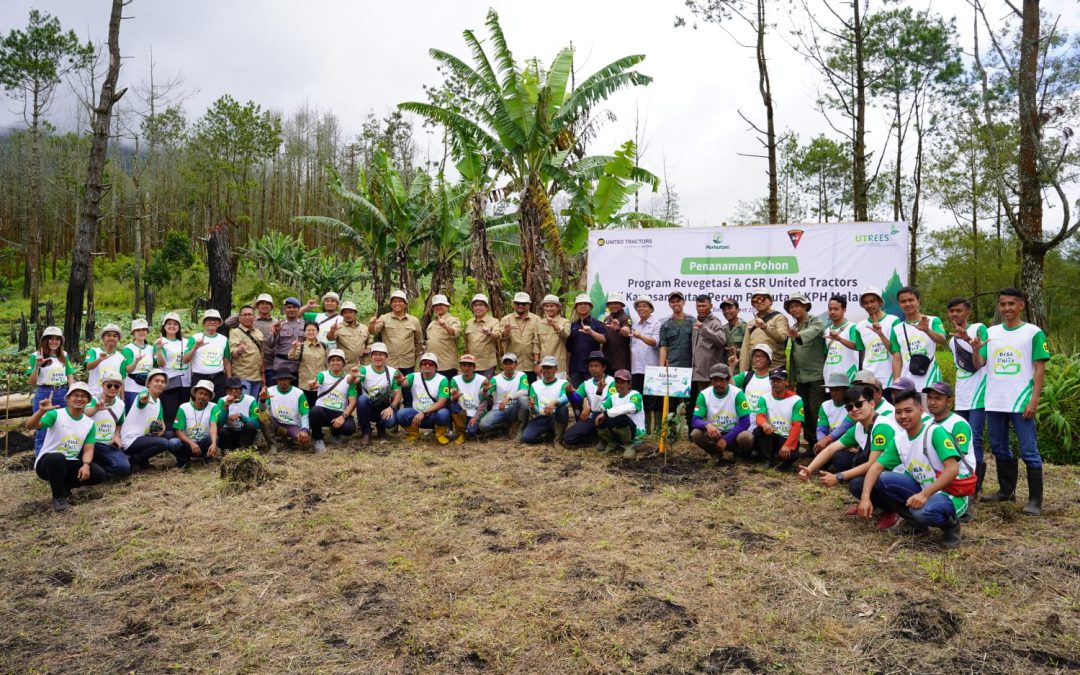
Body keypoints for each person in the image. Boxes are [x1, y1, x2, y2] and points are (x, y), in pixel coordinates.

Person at [856, 388, 970, 547]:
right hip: (924, 488)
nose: (902, 416)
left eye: (908, 411)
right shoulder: (899, 440)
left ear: (921, 410)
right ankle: (915, 525)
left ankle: (950, 525)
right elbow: (876, 467)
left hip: (951, 492)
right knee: (883, 479)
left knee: (923, 512)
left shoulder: (934, 432)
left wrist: (924, 494)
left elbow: (953, 470)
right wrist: (865, 497)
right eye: (898, 412)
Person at [971, 287, 1050, 516]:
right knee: (998, 446)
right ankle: (1006, 491)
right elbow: (979, 364)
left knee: (1029, 450)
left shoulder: (1033, 332)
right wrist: (976, 350)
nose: (1006, 308)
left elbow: (1039, 369)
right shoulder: (991, 332)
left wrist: (1033, 400)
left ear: (1021, 305)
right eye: (1003, 304)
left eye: (1011, 304)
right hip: (995, 401)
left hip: (1021, 401)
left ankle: (1035, 500)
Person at [798, 384, 902, 524]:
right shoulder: (859, 426)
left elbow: (873, 464)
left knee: (856, 483)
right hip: (880, 471)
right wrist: (809, 469)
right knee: (840, 457)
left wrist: (838, 476)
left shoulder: (882, 426)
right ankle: (874, 503)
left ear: (872, 403)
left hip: (896, 476)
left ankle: (893, 510)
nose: (854, 409)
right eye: (849, 407)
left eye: (859, 404)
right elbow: (831, 449)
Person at [24, 382, 106, 511]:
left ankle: (65, 488)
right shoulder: (56, 414)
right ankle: (59, 498)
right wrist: (40, 412)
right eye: (76, 395)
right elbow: (30, 426)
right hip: (48, 462)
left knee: (98, 474)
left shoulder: (89, 423)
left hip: (69, 462)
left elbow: (89, 449)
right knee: (57, 458)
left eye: (83, 396)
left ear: (88, 401)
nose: (79, 399)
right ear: (68, 399)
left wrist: (86, 465)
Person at [945, 296, 988, 495]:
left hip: (978, 394)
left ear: (968, 312)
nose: (955, 314)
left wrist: (971, 343)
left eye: (959, 311)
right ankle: (960, 479)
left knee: (975, 439)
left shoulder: (979, 328)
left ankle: (975, 486)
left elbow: (979, 363)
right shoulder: (952, 339)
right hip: (961, 395)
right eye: (952, 311)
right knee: (958, 439)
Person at [121, 370, 187, 470]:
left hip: (144, 437)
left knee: (169, 435)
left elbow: (160, 420)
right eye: (156, 381)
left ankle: (182, 460)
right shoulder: (144, 394)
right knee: (163, 443)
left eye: (163, 381)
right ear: (148, 383)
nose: (160, 384)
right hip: (131, 439)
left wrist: (161, 428)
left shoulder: (158, 401)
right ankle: (134, 460)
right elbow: (142, 399)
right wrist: (143, 399)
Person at [689, 364, 753, 464]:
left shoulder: (737, 394)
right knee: (695, 434)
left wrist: (726, 439)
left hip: (734, 434)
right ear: (711, 380)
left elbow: (746, 422)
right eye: (715, 380)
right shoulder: (704, 395)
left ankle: (739, 455)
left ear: (728, 380)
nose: (718, 383)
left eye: (721, 380)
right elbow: (695, 420)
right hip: (715, 434)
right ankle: (715, 454)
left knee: (747, 437)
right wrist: (707, 425)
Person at [26, 326, 75, 455]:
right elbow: (31, 382)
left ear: (61, 341)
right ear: (45, 340)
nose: (54, 342)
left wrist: (73, 392)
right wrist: (37, 366)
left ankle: (61, 457)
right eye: (51, 338)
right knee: (42, 428)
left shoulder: (64, 355)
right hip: (45, 393)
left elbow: (69, 375)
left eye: (57, 339)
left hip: (63, 392)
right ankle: (40, 461)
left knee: (63, 426)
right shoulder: (35, 356)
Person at [885, 286, 946, 390]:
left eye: (911, 300)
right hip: (907, 384)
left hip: (930, 381)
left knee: (928, 407)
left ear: (918, 301)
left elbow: (942, 340)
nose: (907, 304)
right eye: (903, 301)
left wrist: (927, 330)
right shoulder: (896, 329)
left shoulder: (932, 321)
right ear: (899, 305)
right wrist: (896, 385)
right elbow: (897, 358)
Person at [785, 293, 826, 449]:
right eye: (791, 307)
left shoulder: (815, 321)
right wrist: (791, 377)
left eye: (797, 306)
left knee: (815, 410)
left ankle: (820, 444)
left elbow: (816, 330)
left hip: (816, 375)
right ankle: (810, 442)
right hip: (801, 378)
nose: (793, 309)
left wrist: (799, 335)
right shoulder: (794, 327)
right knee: (805, 411)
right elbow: (793, 355)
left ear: (805, 306)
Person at [751, 368, 804, 469]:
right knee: (759, 431)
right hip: (771, 434)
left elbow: (797, 425)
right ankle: (768, 460)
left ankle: (778, 459)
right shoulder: (764, 398)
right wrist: (764, 424)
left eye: (779, 380)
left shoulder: (796, 400)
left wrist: (788, 445)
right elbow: (759, 416)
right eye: (773, 380)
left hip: (786, 437)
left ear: (786, 382)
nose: (775, 383)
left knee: (792, 455)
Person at [368, 289, 423, 386]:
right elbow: (373, 331)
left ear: (405, 304)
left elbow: (418, 342)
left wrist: (414, 355)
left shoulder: (414, 321)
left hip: (408, 361)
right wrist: (371, 324)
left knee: (407, 390)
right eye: (394, 301)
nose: (397, 304)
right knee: (390, 389)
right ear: (391, 304)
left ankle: (407, 401)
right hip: (390, 362)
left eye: (400, 301)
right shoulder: (384, 318)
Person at [395, 353, 452, 444]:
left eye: (430, 363)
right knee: (401, 414)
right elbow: (404, 383)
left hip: (433, 415)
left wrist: (424, 413)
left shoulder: (442, 379)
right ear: (421, 366)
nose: (427, 365)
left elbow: (442, 402)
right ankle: (414, 433)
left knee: (444, 413)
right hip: (416, 416)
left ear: (436, 367)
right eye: (424, 363)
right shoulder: (413, 376)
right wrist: (400, 381)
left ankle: (439, 434)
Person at [689, 294, 728, 429]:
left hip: (709, 374)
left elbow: (721, 340)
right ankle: (701, 431)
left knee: (711, 405)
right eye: (698, 306)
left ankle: (714, 430)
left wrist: (704, 329)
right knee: (699, 406)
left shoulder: (715, 322)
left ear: (711, 306)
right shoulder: (696, 322)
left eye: (704, 305)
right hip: (697, 372)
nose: (700, 308)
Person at [308, 349, 358, 451]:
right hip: (323, 411)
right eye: (332, 360)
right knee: (315, 411)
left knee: (350, 427)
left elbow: (353, 402)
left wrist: (343, 417)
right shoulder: (322, 375)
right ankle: (317, 438)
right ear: (329, 362)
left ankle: (335, 433)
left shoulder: (350, 378)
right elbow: (316, 384)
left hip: (338, 412)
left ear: (343, 363)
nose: (335, 362)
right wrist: (313, 385)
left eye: (338, 360)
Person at [84, 370, 131, 477]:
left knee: (124, 468)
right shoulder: (93, 400)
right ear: (103, 385)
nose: (113, 388)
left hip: (108, 444)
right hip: (91, 443)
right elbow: (86, 412)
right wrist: (96, 408)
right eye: (109, 385)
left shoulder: (121, 404)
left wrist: (117, 435)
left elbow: (120, 422)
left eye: (117, 386)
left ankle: (100, 468)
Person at [563, 351, 615, 448]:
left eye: (596, 366)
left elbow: (610, 403)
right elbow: (576, 399)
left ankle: (606, 438)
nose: (593, 368)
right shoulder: (586, 383)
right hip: (592, 416)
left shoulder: (612, 382)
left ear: (603, 367)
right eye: (591, 366)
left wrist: (589, 407)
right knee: (568, 438)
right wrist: (569, 393)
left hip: (607, 416)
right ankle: (594, 439)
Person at [353, 342, 402, 444]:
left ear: (386, 357)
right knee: (362, 399)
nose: (378, 357)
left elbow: (398, 393)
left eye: (381, 354)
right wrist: (353, 376)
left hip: (384, 407)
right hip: (368, 407)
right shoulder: (364, 370)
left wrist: (391, 407)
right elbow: (354, 382)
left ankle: (381, 428)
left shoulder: (393, 372)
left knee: (390, 422)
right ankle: (366, 432)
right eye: (375, 354)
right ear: (371, 356)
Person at [225, 293, 276, 385]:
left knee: (266, 395)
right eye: (261, 303)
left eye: (267, 303)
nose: (264, 306)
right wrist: (247, 309)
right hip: (247, 366)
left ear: (271, 306)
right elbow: (228, 322)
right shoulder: (250, 318)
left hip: (269, 363)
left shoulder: (276, 322)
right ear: (257, 306)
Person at [520, 356, 570, 448]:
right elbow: (534, 408)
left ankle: (558, 440)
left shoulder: (563, 383)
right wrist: (532, 407)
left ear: (556, 369)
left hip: (555, 416)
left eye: (549, 367)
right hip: (541, 417)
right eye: (544, 367)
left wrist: (554, 402)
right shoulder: (535, 385)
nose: (546, 370)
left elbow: (566, 397)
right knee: (526, 437)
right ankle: (546, 436)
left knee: (563, 408)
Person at [595, 369, 646, 458]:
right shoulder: (613, 397)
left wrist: (606, 413)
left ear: (629, 384)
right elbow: (598, 408)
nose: (619, 385)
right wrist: (599, 391)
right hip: (620, 430)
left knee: (619, 417)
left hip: (636, 432)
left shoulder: (635, 395)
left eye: (622, 382)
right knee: (597, 416)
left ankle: (629, 445)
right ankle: (611, 442)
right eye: (617, 382)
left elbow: (631, 407)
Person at [855, 286, 900, 386]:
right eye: (865, 303)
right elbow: (862, 353)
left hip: (889, 378)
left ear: (880, 302)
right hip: (868, 379)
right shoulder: (859, 326)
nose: (869, 305)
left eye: (872, 301)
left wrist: (880, 334)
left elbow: (895, 351)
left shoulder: (893, 321)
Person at [629, 295, 661, 433]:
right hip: (636, 370)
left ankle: (658, 430)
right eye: (639, 306)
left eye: (645, 306)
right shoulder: (634, 325)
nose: (641, 308)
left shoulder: (656, 324)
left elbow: (655, 342)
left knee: (654, 401)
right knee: (640, 400)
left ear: (651, 309)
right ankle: (645, 430)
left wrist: (641, 336)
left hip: (651, 369)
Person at [154, 312, 191, 432]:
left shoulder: (186, 342)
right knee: (170, 412)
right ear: (164, 326)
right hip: (169, 382)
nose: (172, 326)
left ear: (179, 327)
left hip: (186, 382)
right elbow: (161, 363)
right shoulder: (161, 341)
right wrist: (159, 349)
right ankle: (169, 437)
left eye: (175, 324)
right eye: (169, 323)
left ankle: (181, 436)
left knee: (183, 412)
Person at [184, 309, 232, 399]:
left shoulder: (224, 339)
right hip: (200, 379)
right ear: (204, 323)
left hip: (219, 379)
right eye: (209, 319)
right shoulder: (194, 338)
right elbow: (185, 360)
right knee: (200, 406)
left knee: (219, 406)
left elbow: (226, 359)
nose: (212, 322)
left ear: (219, 323)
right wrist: (195, 347)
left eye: (215, 319)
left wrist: (229, 378)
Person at [478, 354, 530, 436]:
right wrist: (484, 390)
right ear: (502, 365)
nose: (508, 366)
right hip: (499, 409)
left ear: (516, 364)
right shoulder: (496, 379)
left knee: (524, 399)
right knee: (483, 426)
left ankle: (521, 428)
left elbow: (525, 391)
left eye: (511, 363)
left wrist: (509, 397)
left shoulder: (521, 375)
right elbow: (483, 396)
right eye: (506, 363)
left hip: (514, 408)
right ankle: (503, 427)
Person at [260, 372, 312, 451]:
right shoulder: (269, 391)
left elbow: (304, 413)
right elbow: (261, 410)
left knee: (304, 441)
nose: (283, 382)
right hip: (275, 422)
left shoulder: (299, 393)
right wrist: (262, 400)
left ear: (290, 380)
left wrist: (304, 430)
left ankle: (287, 439)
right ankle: (272, 445)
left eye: (286, 379)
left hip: (292, 424)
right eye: (280, 379)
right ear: (277, 380)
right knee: (263, 417)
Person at [739, 288, 788, 371]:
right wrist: (743, 372)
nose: (759, 302)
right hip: (756, 370)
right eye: (755, 300)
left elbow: (782, 337)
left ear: (771, 301)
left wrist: (765, 327)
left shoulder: (779, 318)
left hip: (775, 368)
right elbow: (745, 348)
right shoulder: (751, 322)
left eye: (762, 299)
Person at [174, 380, 219, 463]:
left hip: (203, 443)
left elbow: (213, 425)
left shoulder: (214, 407)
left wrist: (214, 444)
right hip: (188, 443)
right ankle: (183, 460)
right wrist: (191, 443)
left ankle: (207, 456)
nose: (202, 396)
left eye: (206, 394)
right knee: (173, 443)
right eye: (200, 393)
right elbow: (178, 431)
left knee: (214, 438)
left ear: (209, 397)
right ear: (195, 393)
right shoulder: (183, 407)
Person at [568, 294, 607, 387]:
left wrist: (591, 332)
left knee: (593, 396)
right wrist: (567, 368)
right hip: (575, 367)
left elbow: (603, 339)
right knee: (577, 397)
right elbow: (569, 349)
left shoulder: (597, 324)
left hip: (593, 368)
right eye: (580, 304)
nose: (583, 306)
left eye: (586, 304)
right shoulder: (572, 325)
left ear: (590, 307)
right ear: (576, 308)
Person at [823, 295, 864, 383]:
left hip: (848, 376)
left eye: (836, 309)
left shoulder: (852, 327)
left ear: (844, 310)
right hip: (830, 378)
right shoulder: (827, 330)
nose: (832, 312)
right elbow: (827, 354)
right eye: (830, 309)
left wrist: (839, 339)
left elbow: (857, 346)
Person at [501, 292, 541, 380]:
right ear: (514, 304)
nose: (520, 305)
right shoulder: (506, 319)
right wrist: (506, 331)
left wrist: (536, 362)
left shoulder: (536, 320)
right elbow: (501, 338)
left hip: (531, 365)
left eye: (523, 303)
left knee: (531, 391)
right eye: (518, 303)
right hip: (512, 365)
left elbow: (537, 342)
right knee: (514, 392)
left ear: (529, 304)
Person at [449, 354, 488, 444]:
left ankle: (472, 430)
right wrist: (454, 398)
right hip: (463, 412)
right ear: (460, 367)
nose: (466, 368)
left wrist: (476, 417)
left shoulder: (482, 379)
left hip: (476, 412)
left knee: (471, 432)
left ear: (474, 367)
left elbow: (484, 401)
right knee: (452, 404)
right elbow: (452, 393)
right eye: (464, 365)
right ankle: (461, 433)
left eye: (470, 365)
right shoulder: (455, 379)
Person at [289, 320, 328, 411]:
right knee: (306, 409)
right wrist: (294, 348)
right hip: (305, 384)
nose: (311, 332)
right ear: (304, 332)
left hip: (321, 384)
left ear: (318, 332)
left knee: (319, 409)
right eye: (308, 330)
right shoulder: (300, 346)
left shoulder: (324, 346)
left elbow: (328, 364)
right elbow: (292, 357)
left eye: (313, 330)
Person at [228, 305, 266, 399]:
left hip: (257, 376)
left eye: (250, 314)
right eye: (244, 315)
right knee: (243, 404)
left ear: (254, 317)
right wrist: (239, 351)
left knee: (252, 404)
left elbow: (261, 354)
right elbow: (233, 353)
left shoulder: (258, 332)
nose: (247, 317)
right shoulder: (235, 332)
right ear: (239, 317)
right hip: (242, 376)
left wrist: (263, 374)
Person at [214, 377, 260, 451]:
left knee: (250, 426)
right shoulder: (222, 401)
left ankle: (244, 449)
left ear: (241, 389)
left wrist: (242, 417)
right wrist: (226, 407)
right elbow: (218, 424)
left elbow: (257, 424)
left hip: (244, 434)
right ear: (226, 391)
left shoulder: (251, 400)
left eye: (236, 389)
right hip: (229, 434)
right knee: (221, 431)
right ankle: (227, 452)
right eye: (230, 389)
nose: (234, 392)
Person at [266, 297, 306, 381]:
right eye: (289, 307)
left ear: (298, 309)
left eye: (294, 307)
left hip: (299, 367)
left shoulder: (304, 325)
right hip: (281, 365)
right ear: (285, 309)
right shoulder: (278, 325)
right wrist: (276, 332)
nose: (291, 310)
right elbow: (270, 345)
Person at [464, 293, 502, 378]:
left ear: (487, 307)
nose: (477, 308)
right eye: (475, 305)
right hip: (471, 364)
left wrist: (489, 333)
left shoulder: (494, 321)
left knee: (486, 389)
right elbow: (466, 344)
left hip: (487, 364)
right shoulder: (469, 322)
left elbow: (498, 335)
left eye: (481, 305)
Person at [121, 319, 155, 411]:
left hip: (147, 388)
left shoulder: (151, 348)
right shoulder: (128, 349)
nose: (141, 332)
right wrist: (136, 361)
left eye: (144, 330)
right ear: (133, 333)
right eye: (138, 330)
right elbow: (128, 370)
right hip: (132, 388)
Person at [425, 294, 461, 379]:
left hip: (447, 365)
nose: (438, 307)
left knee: (447, 390)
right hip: (432, 364)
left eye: (441, 304)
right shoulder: (432, 323)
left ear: (447, 306)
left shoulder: (453, 320)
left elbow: (455, 333)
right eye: (436, 305)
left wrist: (444, 325)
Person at [732, 344, 773, 418]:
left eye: (761, 356)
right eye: (755, 356)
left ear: (768, 360)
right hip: (746, 424)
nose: (757, 359)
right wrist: (731, 367)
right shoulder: (746, 375)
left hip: (765, 425)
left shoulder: (774, 378)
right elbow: (729, 385)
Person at [85, 323, 125, 397]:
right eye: (108, 335)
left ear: (118, 339)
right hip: (95, 394)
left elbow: (122, 379)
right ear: (103, 338)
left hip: (113, 396)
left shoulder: (121, 357)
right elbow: (88, 367)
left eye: (115, 336)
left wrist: (122, 399)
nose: (111, 338)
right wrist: (99, 360)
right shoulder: (94, 351)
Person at [815, 373, 852, 452]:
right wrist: (822, 441)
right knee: (818, 450)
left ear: (845, 390)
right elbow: (821, 429)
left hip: (848, 443)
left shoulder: (853, 405)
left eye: (837, 389)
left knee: (840, 458)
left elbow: (845, 427)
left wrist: (827, 440)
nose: (834, 393)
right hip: (829, 442)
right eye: (831, 390)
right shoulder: (825, 405)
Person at [657, 291, 693, 373]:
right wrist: (661, 368)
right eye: (672, 302)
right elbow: (663, 347)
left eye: (678, 301)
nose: (675, 304)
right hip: (672, 367)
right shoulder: (665, 325)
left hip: (689, 367)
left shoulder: (693, 322)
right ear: (669, 304)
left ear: (683, 302)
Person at [328, 300, 370, 368]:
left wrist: (368, 350)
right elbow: (330, 338)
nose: (348, 314)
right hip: (346, 366)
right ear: (342, 315)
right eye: (345, 313)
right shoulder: (338, 327)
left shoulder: (364, 328)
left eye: (351, 312)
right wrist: (332, 331)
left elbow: (370, 343)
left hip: (363, 365)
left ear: (355, 313)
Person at [537, 294, 571, 377]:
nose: (548, 309)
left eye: (551, 306)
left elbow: (566, 335)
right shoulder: (539, 323)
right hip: (543, 366)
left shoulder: (565, 322)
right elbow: (536, 345)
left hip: (559, 367)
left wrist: (553, 325)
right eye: (546, 306)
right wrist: (536, 363)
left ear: (558, 307)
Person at [599, 292, 633, 374]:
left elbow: (627, 332)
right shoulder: (607, 319)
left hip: (620, 362)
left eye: (616, 303)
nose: (613, 305)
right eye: (610, 304)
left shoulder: (625, 317)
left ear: (622, 305)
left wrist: (618, 329)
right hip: (606, 361)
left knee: (620, 386)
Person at [719, 298, 747, 375]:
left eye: (730, 308)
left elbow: (750, 349)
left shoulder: (745, 327)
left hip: (741, 370)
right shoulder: (723, 328)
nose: (727, 311)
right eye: (724, 309)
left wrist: (737, 351)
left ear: (738, 310)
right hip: (728, 370)